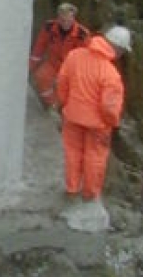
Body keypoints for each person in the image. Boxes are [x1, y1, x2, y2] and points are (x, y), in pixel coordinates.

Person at [55, 24, 132, 206]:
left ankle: (72, 190)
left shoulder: (75, 56)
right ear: (118, 48)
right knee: (94, 158)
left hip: (72, 116)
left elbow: (62, 82)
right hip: (97, 125)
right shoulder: (110, 74)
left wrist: (64, 103)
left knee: (73, 154)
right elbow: (109, 107)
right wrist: (112, 123)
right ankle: (89, 194)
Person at [29, 2, 90, 108]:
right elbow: (39, 48)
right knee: (41, 77)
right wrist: (29, 67)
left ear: (73, 18)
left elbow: (85, 59)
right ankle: (51, 104)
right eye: (62, 19)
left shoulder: (82, 34)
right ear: (58, 17)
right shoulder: (49, 27)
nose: (65, 23)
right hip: (52, 63)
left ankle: (64, 108)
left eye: (68, 20)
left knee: (69, 88)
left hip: (71, 67)